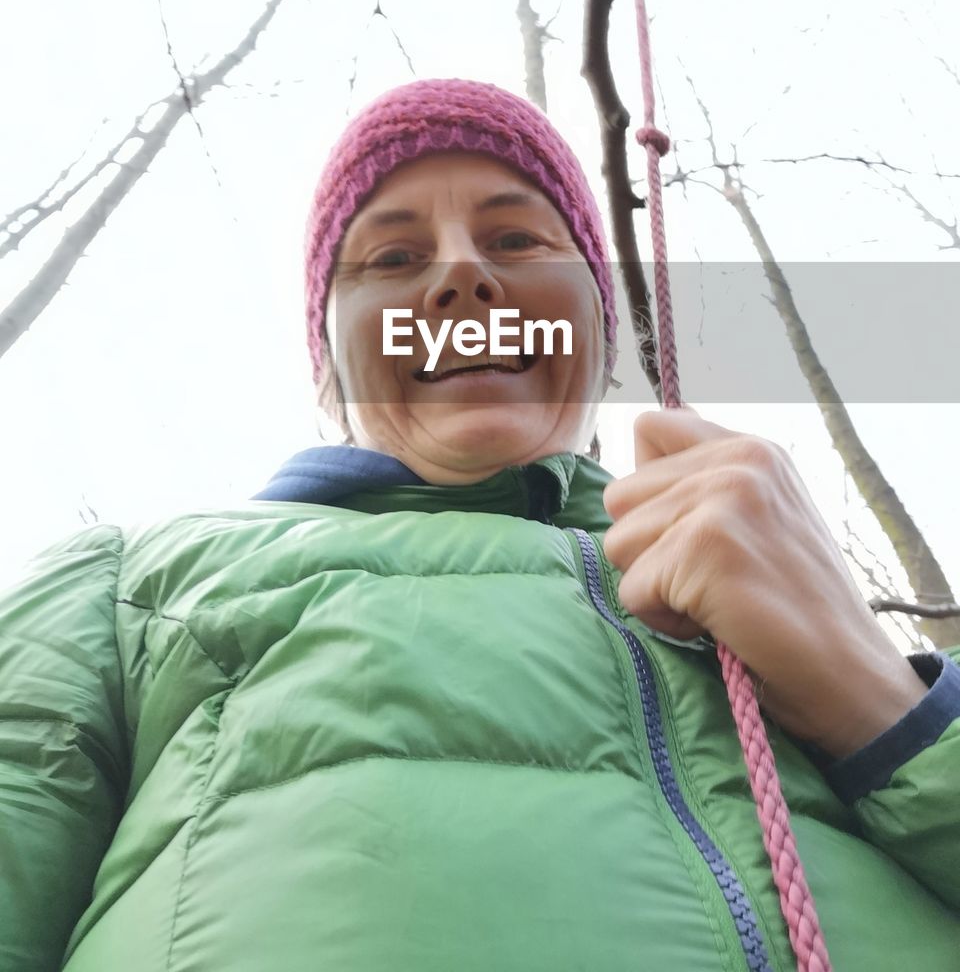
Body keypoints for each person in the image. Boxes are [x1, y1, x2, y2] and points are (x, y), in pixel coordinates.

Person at [1, 78, 958, 972]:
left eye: (517, 243)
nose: (461, 276)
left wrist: (888, 705)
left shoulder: (760, 569)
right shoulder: (124, 582)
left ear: (591, 325)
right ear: (330, 368)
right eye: (392, 258)